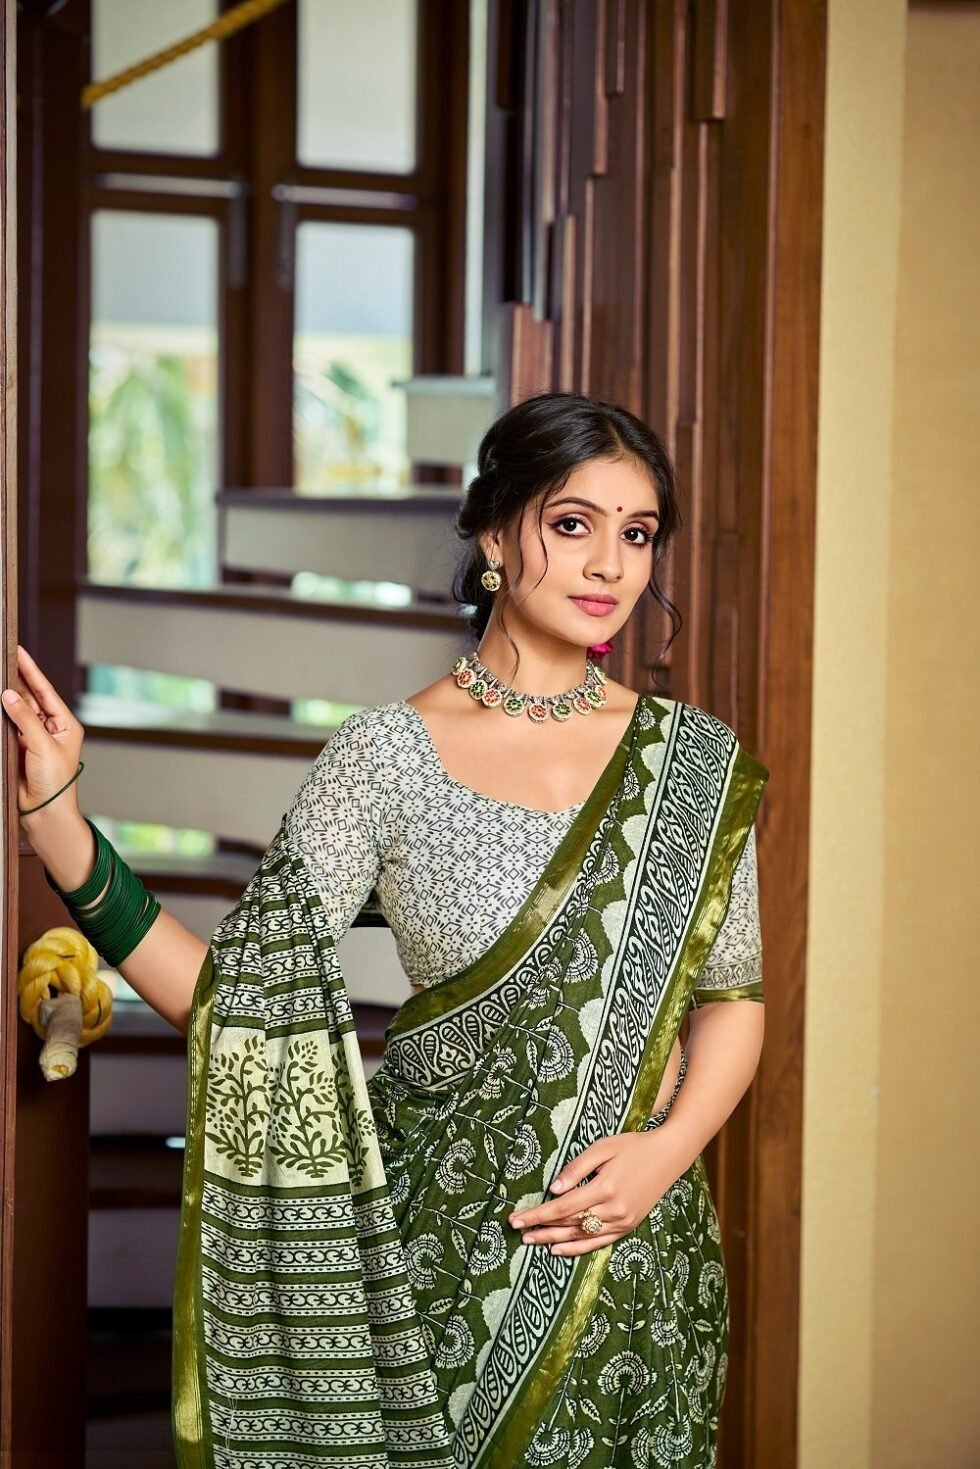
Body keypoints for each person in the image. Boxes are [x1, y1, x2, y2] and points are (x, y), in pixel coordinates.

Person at [4, 391, 768, 1469]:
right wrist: (60, 827)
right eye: (572, 523)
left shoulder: (695, 763)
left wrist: (667, 1152)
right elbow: (241, 1001)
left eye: (636, 533)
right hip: (432, 1273)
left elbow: (732, 995)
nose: (609, 563)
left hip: (642, 1260)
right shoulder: (384, 758)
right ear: (494, 534)